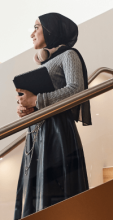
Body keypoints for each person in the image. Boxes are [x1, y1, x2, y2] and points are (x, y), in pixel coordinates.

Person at [14, 12, 92, 220]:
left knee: (59, 195)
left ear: (50, 29)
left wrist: (36, 101)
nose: (32, 33)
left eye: (36, 27)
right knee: (38, 197)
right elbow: (43, 99)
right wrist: (26, 108)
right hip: (37, 136)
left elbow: (77, 89)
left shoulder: (69, 55)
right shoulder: (45, 63)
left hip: (57, 133)